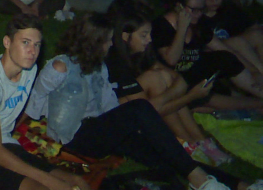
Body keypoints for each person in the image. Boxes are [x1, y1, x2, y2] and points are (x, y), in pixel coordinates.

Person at [25, 14, 246, 190]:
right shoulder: (59, 67)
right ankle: (201, 182)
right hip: (73, 138)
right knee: (140, 108)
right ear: (93, 41)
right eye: (107, 40)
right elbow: (34, 100)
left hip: (99, 130)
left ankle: (237, 184)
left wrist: (136, 125)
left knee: (162, 152)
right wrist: (22, 136)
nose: (111, 45)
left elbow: (109, 106)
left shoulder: (99, 67)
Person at [0, 14, 88, 190]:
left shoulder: (29, 70)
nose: (32, 51)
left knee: (76, 181)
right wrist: (48, 180)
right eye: (25, 42)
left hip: (7, 143)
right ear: (7, 42)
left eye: (37, 45)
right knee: (41, 187)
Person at [105, 0, 232, 165]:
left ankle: (200, 141)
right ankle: (188, 143)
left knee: (163, 77)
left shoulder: (141, 52)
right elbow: (146, 111)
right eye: (143, 35)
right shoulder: (116, 62)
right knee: (156, 79)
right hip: (118, 117)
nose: (149, 40)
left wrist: (181, 87)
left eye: (149, 34)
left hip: (144, 108)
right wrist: (189, 96)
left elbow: (172, 76)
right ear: (125, 36)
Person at [152, 0, 263, 107]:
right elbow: (171, 60)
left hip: (199, 71)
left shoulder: (200, 24)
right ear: (179, 7)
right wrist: (182, 29)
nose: (198, 14)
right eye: (194, 10)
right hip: (177, 79)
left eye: (201, 10)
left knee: (226, 58)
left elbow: (223, 48)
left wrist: (253, 70)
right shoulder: (162, 25)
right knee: (226, 100)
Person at [198, 0, 263, 78]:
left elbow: (252, 27)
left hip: (237, 47)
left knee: (256, 35)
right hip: (211, 53)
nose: (214, 0)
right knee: (238, 42)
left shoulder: (228, 10)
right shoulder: (197, 16)